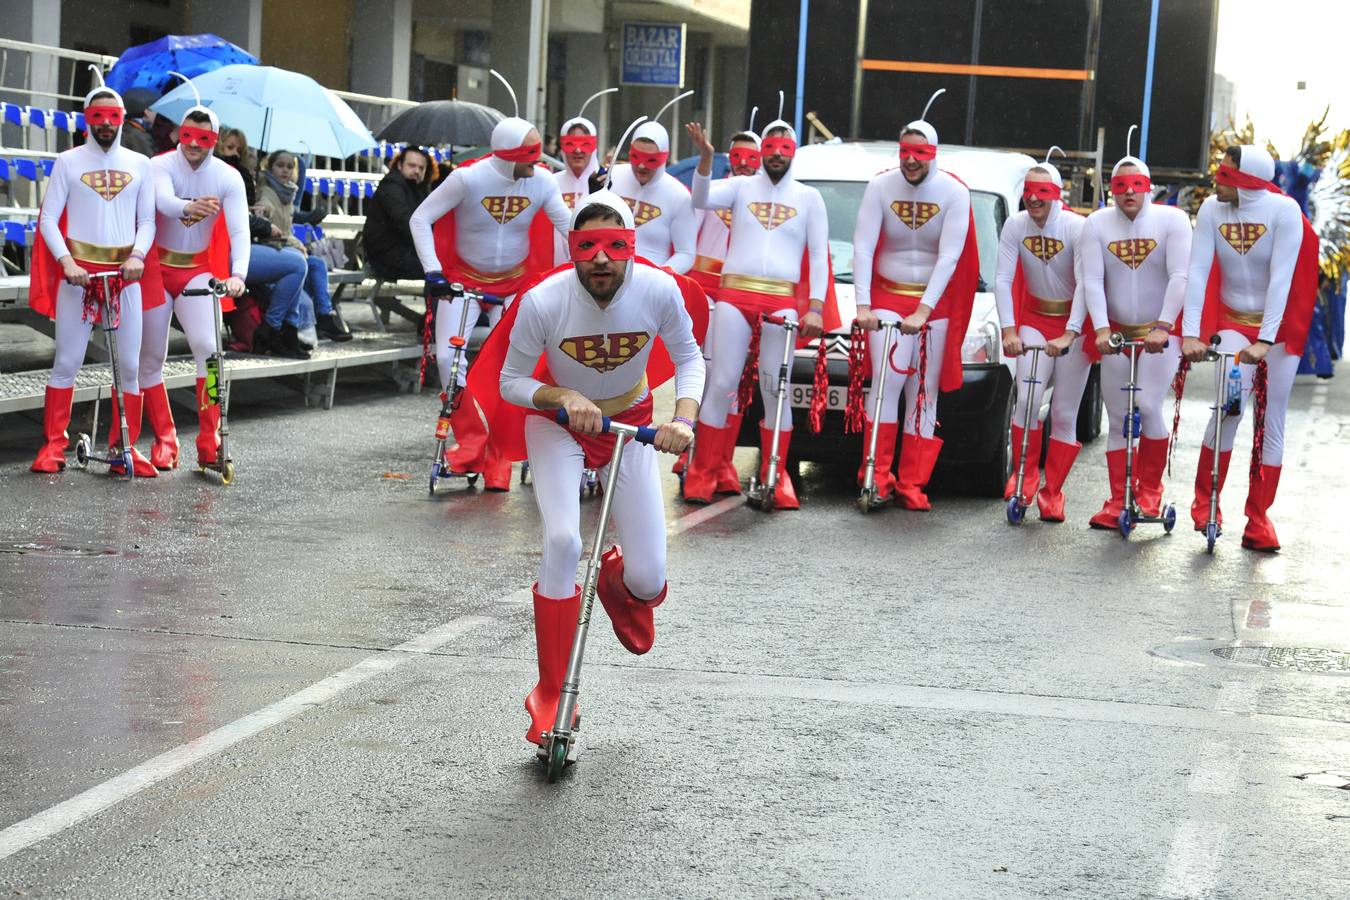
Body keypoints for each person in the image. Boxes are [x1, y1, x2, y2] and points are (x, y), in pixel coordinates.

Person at [465, 191, 705, 748]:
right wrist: (562, 394)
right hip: (558, 426)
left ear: (632, 248)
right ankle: (550, 693)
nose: (601, 259)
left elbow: (691, 358)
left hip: (634, 425)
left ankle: (621, 580)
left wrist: (685, 420)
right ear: (571, 249)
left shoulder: (658, 289)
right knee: (564, 540)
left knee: (649, 579)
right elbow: (510, 382)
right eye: (588, 245)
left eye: (615, 245)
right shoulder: (545, 300)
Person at [408, 114, 571, 491]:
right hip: (463, 281)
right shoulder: (467, 179)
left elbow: (568, 226)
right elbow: (420, 218)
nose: (539, 161)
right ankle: (472, 442)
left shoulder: (542, 181)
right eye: (531, 154)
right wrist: (433, 271)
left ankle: (500, 457)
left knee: (510, 369)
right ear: (510, 154)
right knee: (449, 359)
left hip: (516, 284)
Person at [683, 115, 835, 509]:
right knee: (721, 383)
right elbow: (699, 199)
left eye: (785, 148)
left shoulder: (808, 198)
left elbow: (818, 255)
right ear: (762, 151)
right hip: (734, 296)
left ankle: (775, 473)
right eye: (771, 147)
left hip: (781, 302)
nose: (777, 155)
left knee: (775, 390)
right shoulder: (739, 186)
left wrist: (815, 307)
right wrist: (704, 159)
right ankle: (703, 472)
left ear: (794, 152)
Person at [1180, 145, 1319, 552]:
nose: (1216, 182)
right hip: (1232, 322)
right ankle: (1206, 501)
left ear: (1246, 180)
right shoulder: (1210, 210)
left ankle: (1259, 517)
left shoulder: (1284, 212)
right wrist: (1192, 333)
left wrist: (1266, 340)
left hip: (1276, 328)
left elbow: (1282, 279)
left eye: (1225, 175)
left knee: (1271, 419)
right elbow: (1198, 269)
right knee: (1228, 405)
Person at [846, 92, 980, 510]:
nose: (911, 160)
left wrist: (924, 309)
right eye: (905, 151)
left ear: (933, 154)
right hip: (886, 297)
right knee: (887, 383)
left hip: (933, 305)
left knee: (924, 392)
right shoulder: (879, 186)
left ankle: (912, 482)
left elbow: (950, 256)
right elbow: (864, 246)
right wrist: (864, 305)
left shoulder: (956, 193)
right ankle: (876, 474)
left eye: (919, 152)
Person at [29, 75, 158, 475]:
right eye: (98, 115)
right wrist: (67, 261)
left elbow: (149, 220)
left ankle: (125, 449)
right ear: (87, 118)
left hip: (126, 277)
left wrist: (138, 255)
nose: (105, 123)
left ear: (122, 119)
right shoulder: (68, 161)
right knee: (68, 360)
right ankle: (53, 446)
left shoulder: (141, 165)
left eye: (112, 116)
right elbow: (48, 218)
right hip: (79, 277)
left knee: (131, 366)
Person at [1079, 143, 1192, 529]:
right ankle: (1116, 498)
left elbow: (1180, 275)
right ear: (1112, 188)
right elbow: (1092, 279)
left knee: (1145, 405)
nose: (1129, 192)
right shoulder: (1096, 224)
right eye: (1121, 185)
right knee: (1116, 416)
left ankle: (1149, 490)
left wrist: (1163, 325)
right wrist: (1101, 327)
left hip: (1160, 335)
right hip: (1117, 336)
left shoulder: (1173, 221)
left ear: (1148, 187)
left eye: (1137, 184)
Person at [138, 102, 249, 472]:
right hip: (155, 268)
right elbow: (163, 201)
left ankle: (209, 439)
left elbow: (239, 230)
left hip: (197, 271)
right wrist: (190, 208)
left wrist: (239, 275)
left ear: (215, 140)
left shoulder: (228, 176)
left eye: (203, 138)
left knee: (209, 348)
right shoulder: (160, 165)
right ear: (177, 134)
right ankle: (165, 439)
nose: (194, 145)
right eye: (187, 135)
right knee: (151, 358)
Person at [998, 154, 1092, 521]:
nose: (1033, 199)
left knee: (1064, 413)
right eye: (1028, 191)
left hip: (1073, 325)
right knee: (1027, 399)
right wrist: (1009, 329)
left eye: (1042, 191)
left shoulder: (1076, 228)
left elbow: (1088, 282)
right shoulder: (1015, 225)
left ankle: (1053, 492)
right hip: (1034, 319)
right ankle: (1024, 477)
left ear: (1056, 193)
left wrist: (1072, 331)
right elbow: (1004, 278)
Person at [676, 126, 761, 499]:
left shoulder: (765, 197)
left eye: (751, 157)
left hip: (747, 296)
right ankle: (692, 452)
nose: (743, 164)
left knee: (736, 383)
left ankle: (722, 459)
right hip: (707, 292)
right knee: (706, 374)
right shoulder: (716, 189)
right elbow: (691, 222)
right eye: (737, 156)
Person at [212, 129, 314, 360]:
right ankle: (273, 329)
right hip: (223, 251)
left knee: (300, 261)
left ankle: (284, 330)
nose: (234, 153)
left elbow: (241, 213)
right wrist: (262, 224)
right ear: (218, 146)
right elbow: (227, 215)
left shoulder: (242, 175)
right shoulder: (216, 174)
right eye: (229, 147)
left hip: (243, 244)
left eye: (239, 149)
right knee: (296, 264)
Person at [255, 150, 352, 345]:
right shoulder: (267, 191)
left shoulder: (287, 192)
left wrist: (298, 240)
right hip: (271, 248)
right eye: (280, 165)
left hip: (284, 246)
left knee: (317, 263)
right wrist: (295, 243)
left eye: (289, 167)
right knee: (306, 264)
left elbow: (287, 229)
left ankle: (325, 314)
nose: (285, 170)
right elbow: (268, 220)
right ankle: (286, 328)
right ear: (270, 167)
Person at [607, 121, 695, 273]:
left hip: (651, 282)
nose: (641, 166)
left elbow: (686, 253)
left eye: (651, 159)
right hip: (606, 277)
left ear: (664, 157)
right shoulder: (611, 176)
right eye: (636, 156)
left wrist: (658, 277)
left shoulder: (678, 195)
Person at [551, 88, 615, 264]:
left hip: (594, 268)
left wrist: (602, 195)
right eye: (570, 144)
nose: (578, 150)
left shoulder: (608, 182)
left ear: (594, 145)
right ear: (562, 146)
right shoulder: (550, 183)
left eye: (585, 144)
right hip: (554, 272)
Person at [363, 146, 434, 280]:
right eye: (412, 165)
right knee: (437, 269)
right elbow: (403, 221)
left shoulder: (419, 188)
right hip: (387, 257)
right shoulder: (391, 184)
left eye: (421, 168)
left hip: (406, 252)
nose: (416, 171)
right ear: (400, 165)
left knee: (440, 266)